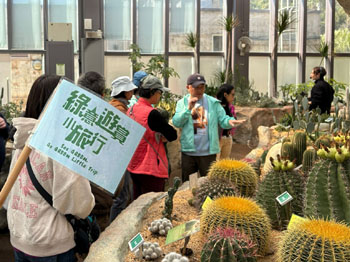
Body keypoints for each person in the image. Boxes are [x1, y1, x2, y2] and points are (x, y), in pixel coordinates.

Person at [6, 75, 95, 261]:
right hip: (51, 244)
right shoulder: (62, 146)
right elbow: (80, 205)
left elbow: (10, 193)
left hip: (19, 236)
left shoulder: (22, 139)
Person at [172, 73, 245, 182]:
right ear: (188, 87)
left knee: (209, 184)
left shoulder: (213, 102)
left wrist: (229, 122)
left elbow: (223, 119)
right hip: (189, 153)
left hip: (208, 153)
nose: (200, 90)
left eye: (202, 87)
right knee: (189, 185)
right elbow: (177, 122)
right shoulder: (182, 103)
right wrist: (188, 109)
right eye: (197, 87)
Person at [127, 75, 177, 199]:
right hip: (150, 168)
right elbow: (172, 134)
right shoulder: (152, 114)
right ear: (152, 91)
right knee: (152, 206)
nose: (160, 96)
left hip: (133, 165)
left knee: (137, 203)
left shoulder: (132, 109)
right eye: (160, 92)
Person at [109, 76, 137, 222]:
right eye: (130, 90)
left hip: (113, 157)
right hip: (119, 159)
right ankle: (113, 229)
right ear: (125, 92)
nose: (132, 93)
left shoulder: (111, 105)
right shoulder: (120, 110)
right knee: (122, 196)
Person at [216, 84, 237, 159]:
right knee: (214, 163)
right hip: (217, 139)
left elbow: (234, 119)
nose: (233, 98)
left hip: (227, 138)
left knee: (224, 163)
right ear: (225, 94)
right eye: (232, 95)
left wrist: (230, 132)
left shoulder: (230, 107)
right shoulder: (215, 106)